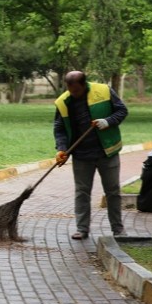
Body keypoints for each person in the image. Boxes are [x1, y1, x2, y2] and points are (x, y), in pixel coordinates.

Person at [53, 71, 129, 240]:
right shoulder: (63, 102)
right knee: (82, 192)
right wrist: (61, 148)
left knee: (113, 191)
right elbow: (59, 128)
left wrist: (108, 121)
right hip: (81, 155)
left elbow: (122, 111)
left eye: (77, 90)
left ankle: (118, 228)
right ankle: (82, 229)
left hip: (107, 152)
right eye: (70, 90)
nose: (74, 93)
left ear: (84, 84)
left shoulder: (103, 91)